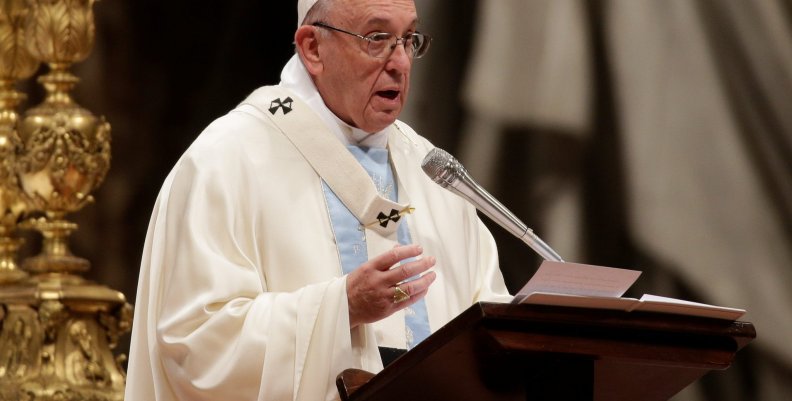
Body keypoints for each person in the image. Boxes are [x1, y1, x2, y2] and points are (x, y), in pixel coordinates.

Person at [125, 0, 511, 400]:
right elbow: (196, 345)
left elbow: (493, 333)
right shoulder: (227, 161)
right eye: (378, 38)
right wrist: (341, 306)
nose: (401, 63)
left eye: (408, 39)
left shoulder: (432, 175)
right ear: (312, 48)